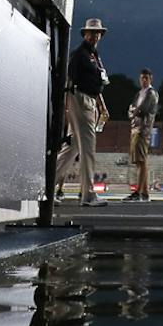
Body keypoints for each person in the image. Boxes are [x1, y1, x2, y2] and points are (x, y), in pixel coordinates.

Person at [64, 19, 110, 207]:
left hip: (87, 99)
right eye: (91, 33)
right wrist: (67, 107)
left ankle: (46, 186)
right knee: (88, 148)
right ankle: (88, 195)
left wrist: (102, 106)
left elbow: (97, 84)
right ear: (84, 34)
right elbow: (69, 79)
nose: (94, 36)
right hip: (80, 99)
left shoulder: (93, 55)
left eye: (97, 33)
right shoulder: (80, 54)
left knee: (72, 147)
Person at [128, 69, 159, 202]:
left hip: (143, 129)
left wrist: (134, 112)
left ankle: (137, 192)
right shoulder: (139, 93)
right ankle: (144, 193)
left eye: (146, 78)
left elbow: (143, 110)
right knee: (141, 161)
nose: (144, 80)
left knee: (141, 161)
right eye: (142, 78)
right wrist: (134, 112)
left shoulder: (151, 93)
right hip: (136, 128)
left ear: (150, 78)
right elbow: (131, 110)